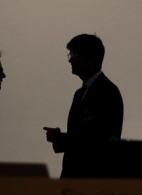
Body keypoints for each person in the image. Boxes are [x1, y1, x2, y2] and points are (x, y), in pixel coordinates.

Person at [44, 34, 123, 178]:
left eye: (74, 54)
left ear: (91, 57)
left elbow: (98, 140)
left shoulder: (107, 92)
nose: (70, 59)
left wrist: (61, 138)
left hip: (92, 178)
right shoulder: (81, 93)